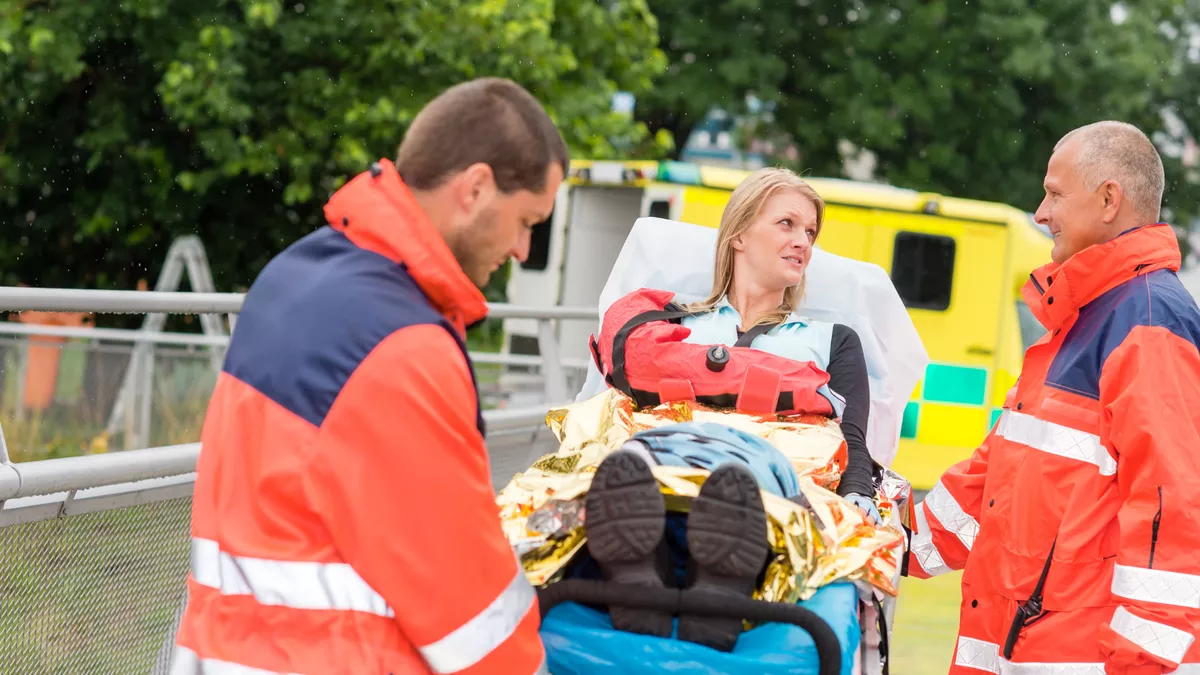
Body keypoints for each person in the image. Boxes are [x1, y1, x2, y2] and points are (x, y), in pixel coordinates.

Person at [169, 77, 566, 675]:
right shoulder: (401, 345)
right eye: (526, 221)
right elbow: (470, 619)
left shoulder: (293, 276)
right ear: (476, 188)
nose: (521, 249)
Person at [905, 121, 1200, 674]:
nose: (1041, 212)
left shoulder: (1147, 325)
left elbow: (1174, 512)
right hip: (1028, 647)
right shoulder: (1085, 317)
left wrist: (1143, 663)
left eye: (1055, 193)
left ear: (1109, 199)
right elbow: (995, 480)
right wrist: (896, 540)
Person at [580, 167, 880, 651]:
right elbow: (616, 410)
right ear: (738, 235)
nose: (802, 241)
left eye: (810, 232)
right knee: (636, 474)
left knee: (738, 488)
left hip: (775, 489)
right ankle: (670, 577)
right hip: (661, 473)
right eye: (786, 224)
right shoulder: (672, 328)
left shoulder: (833, 342)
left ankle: (691, 577)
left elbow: (855, 446)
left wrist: (859, 497)